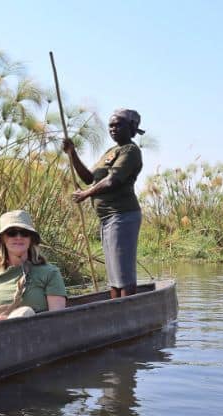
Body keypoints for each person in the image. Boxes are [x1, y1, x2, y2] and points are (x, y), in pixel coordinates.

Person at [62, 108, 144, 298]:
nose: (113, 129)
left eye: (119, 125)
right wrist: (72, 153)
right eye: (111, 125)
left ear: (131, 128)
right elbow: (89, 178)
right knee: (114, 275)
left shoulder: (131, 151)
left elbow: (112, 180)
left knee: (122, 274)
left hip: (122, 215)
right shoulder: (111, 151)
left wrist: (85, 195)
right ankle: (115, 311)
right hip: (107, 218)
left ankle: (127, 312)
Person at [0, 210, 67, 326]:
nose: (18, 237)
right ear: (3, 239)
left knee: (25, 312)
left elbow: (57, 320)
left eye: (24, 233)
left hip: (37, 335)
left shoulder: (49, 273)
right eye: (12, 233)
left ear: (31, 239)